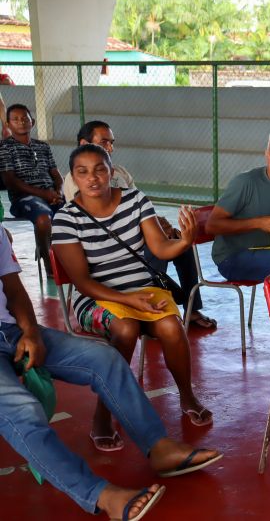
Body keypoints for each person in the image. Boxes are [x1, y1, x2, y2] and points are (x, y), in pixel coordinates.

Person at [0, 222, 222, 520]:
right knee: (22, 410)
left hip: (11, 331)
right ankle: (101, 495)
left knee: (104, 358)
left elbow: (13, 289)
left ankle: (159, 447)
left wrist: (30, 332)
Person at [52, 144, 212, 452]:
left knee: (171, 325)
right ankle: (103, 414)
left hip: (143, 290)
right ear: (73, 177)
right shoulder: (66, 219)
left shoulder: (136, 200)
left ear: (111, 171)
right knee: (124, 329)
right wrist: (127, 302)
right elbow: (83, 282)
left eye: (100, 169)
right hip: (96, 298)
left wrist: (185, 242)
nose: (93, 178)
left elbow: (161, 248)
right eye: (82, 172)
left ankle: (187, 395)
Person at [62, 120, 215, 328]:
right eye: (104, 142)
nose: (110, 147)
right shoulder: (75, 181)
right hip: (114, 249)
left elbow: (140, 206)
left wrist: (162, 225)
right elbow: (94, 221)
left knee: (182, 245)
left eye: (112, 142)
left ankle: (191, 308)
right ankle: (152, 301)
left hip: (138, 234)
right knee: (154, 249)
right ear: (83, 143)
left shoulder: (119, 172)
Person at [205, 128, 270, 366]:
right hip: (232, 258)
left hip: (262, 253)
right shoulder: (246, 182)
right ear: (265, 152)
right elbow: (212, 225)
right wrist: (259, 223)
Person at [0, 104, 64, 275]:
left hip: (51, 195)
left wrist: (59, 191)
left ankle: (72, 258)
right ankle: (48, 261)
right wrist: (44, 194)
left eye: (25, 118)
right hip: (24, 198)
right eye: (15, 119)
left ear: (32, 122)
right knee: (43, 219)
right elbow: (10, 181)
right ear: (7, 124)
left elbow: (56, 173)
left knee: (76, 213)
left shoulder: (42, 146)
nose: (21, 122)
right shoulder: (5, 147)